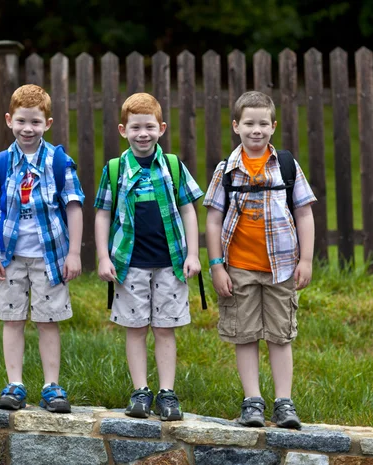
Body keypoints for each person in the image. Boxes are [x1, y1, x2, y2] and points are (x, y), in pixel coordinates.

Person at [204, 91, 316, 429]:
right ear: (236, 126)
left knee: (280, 335)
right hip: (238, 268)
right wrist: (217, 265)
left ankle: (284, 402)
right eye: (249, 123)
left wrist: (306, 260)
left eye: (263, 123)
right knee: (245, 334)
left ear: (273, 126)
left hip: (281, 268)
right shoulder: (227, 169)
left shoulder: (285, 165)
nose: (256, 130)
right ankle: (252, 401)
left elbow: (304, 213)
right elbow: (212, 219)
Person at [94, 93, 203, 421]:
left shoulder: (172, 166)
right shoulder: (115, 169)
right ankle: (140, 390)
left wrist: (193, 254)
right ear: (123, 130)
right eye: (136, 127)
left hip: (171, 264)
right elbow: (102, 214)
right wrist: (103, 256)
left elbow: (188, 209)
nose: (143, 133)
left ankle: (167, 393)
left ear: (162, 129)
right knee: (136, 328)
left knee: (165, 329)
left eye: (150, 127)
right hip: (130, 266)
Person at [0, 84, 84, 412]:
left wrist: (74, 253)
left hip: (49, 258)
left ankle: (52, 386)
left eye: (36, 122)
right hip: (9, 257)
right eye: (21, 121)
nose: (28, 128)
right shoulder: (0, 163)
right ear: (9, 120)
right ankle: (15, 384)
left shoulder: (59, 161)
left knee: (48, 320)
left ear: (47, 124)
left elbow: (74, 206)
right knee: (12, 319)